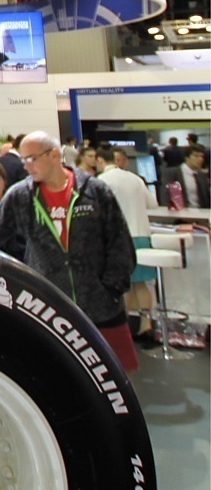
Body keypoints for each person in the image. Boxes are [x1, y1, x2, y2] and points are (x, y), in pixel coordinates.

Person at [0, 130, 137, 368]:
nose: (26, 166)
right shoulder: (21, 195)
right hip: (48, 309)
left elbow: (119, 241)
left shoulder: (93, 191)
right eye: (23, 160)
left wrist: (110, 288)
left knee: (117, 374)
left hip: (102, 308)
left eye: (32, 158)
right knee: (56, 373)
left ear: (53, 155)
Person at [96, 144, 160, 345]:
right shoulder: (135, 179)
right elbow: (153, 204)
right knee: (140, 284)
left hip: (121, 238)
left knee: (122, 286)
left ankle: (124, 326)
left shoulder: (101, 181)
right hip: (142, 234)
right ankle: (146, 325)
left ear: (100, 161)